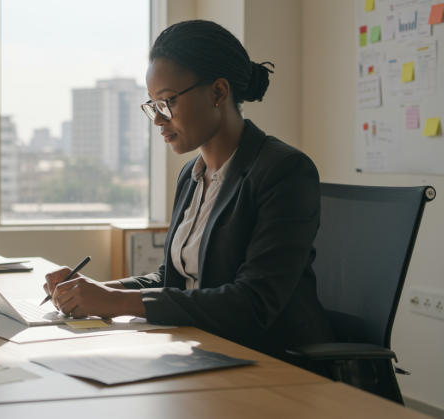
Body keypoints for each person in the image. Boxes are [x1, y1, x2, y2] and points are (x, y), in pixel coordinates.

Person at [43, 20, 335, 373]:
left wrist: (117, 301)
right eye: (152, 105)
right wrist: (94, 290)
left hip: (272, 364)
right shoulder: (192, 175)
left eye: (166, 102)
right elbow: (175, 276)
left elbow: (253, 303)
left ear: (218, 93)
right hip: (198, 350)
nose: (158, 120)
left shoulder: (283, 171)